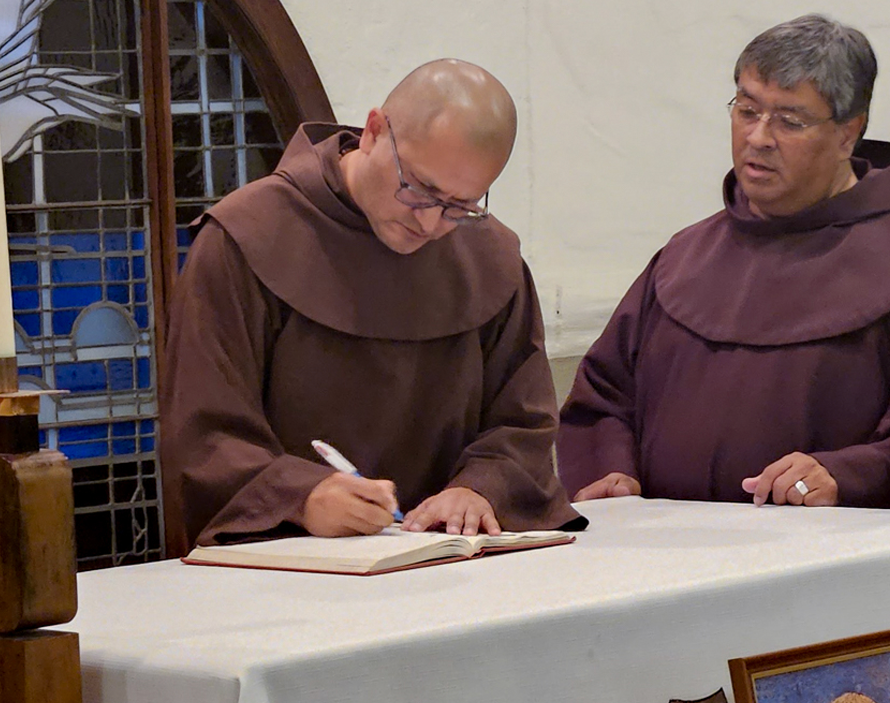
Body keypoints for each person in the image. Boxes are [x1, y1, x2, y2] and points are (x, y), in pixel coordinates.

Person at [160, 59, 583, 551]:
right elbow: (204, 435)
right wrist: (300, 497)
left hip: (457, 572)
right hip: (287, 578)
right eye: (419, 189)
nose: (430, 224)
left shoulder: (492, 259)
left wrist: (479, 488)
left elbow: (523, 422)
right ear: (375, 131)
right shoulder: (245, 239)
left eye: (460, 206)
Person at [556, 15, 890, 510]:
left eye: (789, 120)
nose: (759, 137)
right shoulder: (682, 257)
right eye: (747, 110)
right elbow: (603, 397)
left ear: (848, 134)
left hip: (831, 564)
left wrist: (845, 475)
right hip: (664, 560)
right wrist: (611, 472)